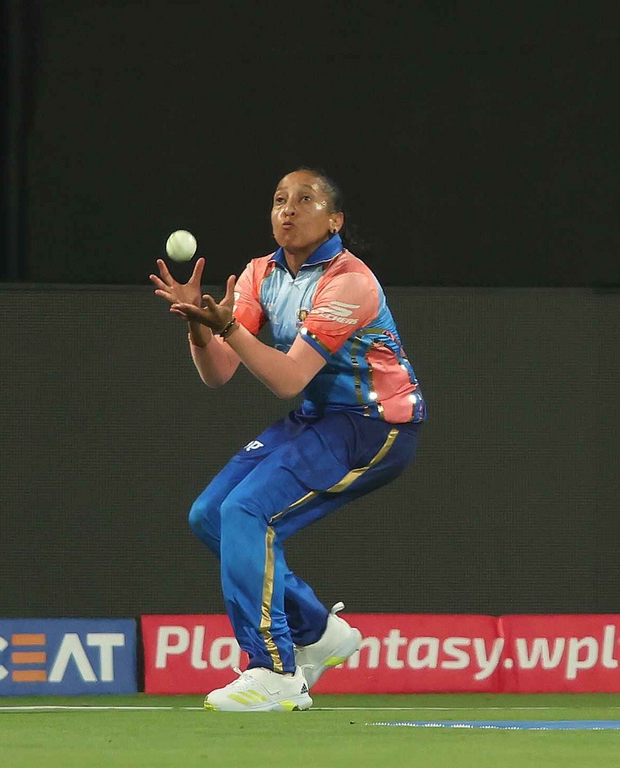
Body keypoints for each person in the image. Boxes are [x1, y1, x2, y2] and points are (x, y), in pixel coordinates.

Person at [150, 168, 425, 712]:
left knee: (248, 510)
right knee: (211, 514)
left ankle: (275, 672)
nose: (288, 210)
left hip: (377, 424)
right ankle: (318, 632)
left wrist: (228, 328)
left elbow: (288, 378)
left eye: (305, 199)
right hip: (318, 418)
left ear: (335, 220)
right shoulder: (260, 274)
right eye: (279, 200)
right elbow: (218, 372)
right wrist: (200, 325)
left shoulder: (350, 282)